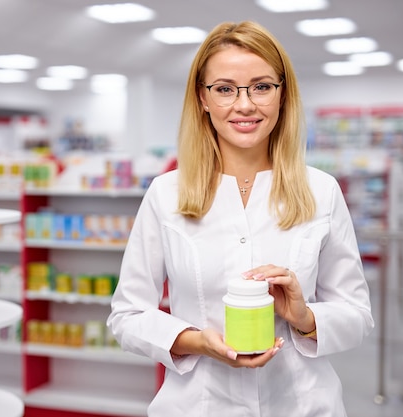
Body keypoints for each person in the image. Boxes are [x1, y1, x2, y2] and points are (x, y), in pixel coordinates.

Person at [106, 20, 374, 416]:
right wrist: (197, 341)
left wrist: (304, 317)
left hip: (303, 405)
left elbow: (357, 316)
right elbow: (127, 316)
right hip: (197, 405)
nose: (245, 104)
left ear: (283, 95)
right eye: (225, 89)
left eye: (262, 87)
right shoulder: (167, 194)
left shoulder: (321, 191)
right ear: (203, 98)